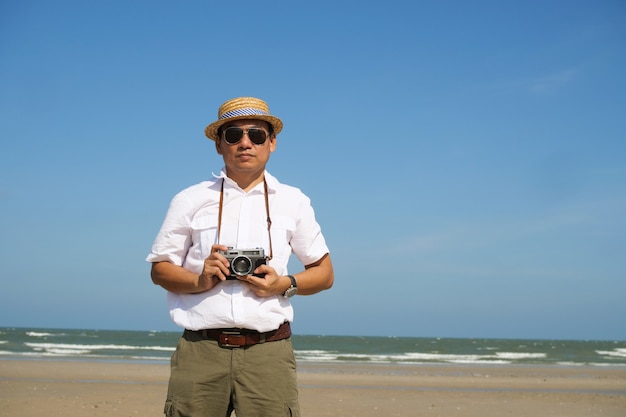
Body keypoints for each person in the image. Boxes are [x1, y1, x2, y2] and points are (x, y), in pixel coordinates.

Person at [146, 96, 334, 417]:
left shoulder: (294, 201)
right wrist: (199, 279)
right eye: (233, 135)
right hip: (200, 350)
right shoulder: (190, 199)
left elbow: (324, 273)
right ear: (219, 145)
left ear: (272, 143)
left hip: (268, 351)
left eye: (256, 135)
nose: (245, 143)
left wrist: (283, 284)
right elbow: (160, 270)